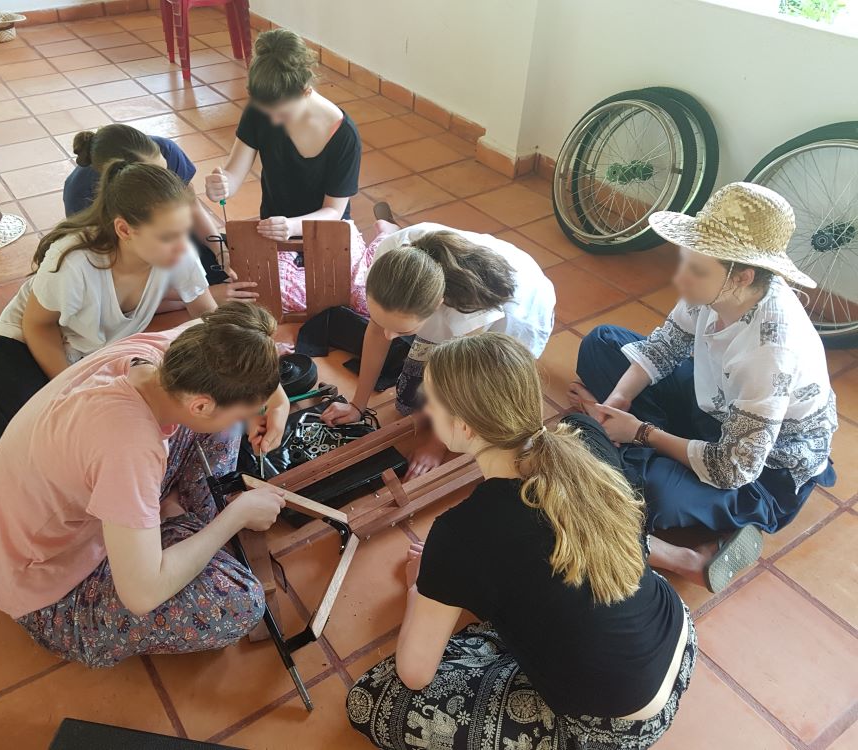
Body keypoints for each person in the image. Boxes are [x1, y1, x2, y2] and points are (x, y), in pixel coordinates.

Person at [347, 333, 695, 750]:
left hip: (614, 724)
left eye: (431, 400)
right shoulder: (582, 432)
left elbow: (414, 673)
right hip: (677, 637)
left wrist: (417, 587)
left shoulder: (462, 531)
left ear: (464, 426)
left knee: (372, 700)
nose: (425, 408)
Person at [0, 162, 221, 498]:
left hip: (85, 356)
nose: (181, 248)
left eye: (183, 233)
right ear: (124, 229)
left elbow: (210, 320)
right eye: (167, 237)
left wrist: (252, 374)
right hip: (25, 345)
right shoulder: (74, 260)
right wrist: (71, 386)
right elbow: (37, 326)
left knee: (58, 460)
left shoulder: (176, 253)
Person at [0, 303, 291, 667]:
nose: (250, 419)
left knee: (224, 428)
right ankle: (174, 529)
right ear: (202, 405)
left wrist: (278, 401)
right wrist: (236, 516)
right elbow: (141, 595)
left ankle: (171, 527)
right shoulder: (129, 448)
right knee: (241, 604)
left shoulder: (174, 353)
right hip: (51, 589)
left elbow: (236, 342)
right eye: (246, 410)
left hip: (86, 497)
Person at [571, 182, 837, 592]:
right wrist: (617, 401)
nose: (682, 277)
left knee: (656, 493)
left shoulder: (772, 351)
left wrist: (639, 431)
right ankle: (639, 444)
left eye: (695, 269)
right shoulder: (717, 286)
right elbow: (665, 345)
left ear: (742, 276)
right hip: (713, 405)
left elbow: (736, 466)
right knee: (601, 343)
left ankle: (657, 465)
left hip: (763, 465)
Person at [322, 219, 556, 478]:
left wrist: (436, 444)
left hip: (515, 307)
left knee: (479, 406)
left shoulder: (467, 315)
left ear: (436, 306)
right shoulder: (390, 256)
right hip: (460, 281)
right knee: (409, 401)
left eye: (401, 331)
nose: (389, 336)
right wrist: (357, 404)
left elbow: (459, 381)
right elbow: (377, 332)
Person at [204, 28, 372, 313]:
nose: (272, 118)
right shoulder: (260, 110)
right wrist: (221, 185)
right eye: (266, 110)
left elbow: (333, 211)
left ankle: (383, 230)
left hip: (327, 229)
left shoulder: (343, 135)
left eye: (281, 112)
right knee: (262, 297)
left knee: (354, 299)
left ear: (306, 91)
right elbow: (233, 174)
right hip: (273, 231)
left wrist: (292, 226)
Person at [64, 123, 258, 306]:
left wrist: (218, 250)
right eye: (157, 177)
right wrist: (199, 294)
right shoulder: (81, 194)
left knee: (240, 264)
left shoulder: (165, 149)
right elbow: (118, 279)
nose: (166, 181)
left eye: (165, 170)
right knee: (118, 301)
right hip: (124, 259)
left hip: (163, 236)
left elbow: (191, 205)